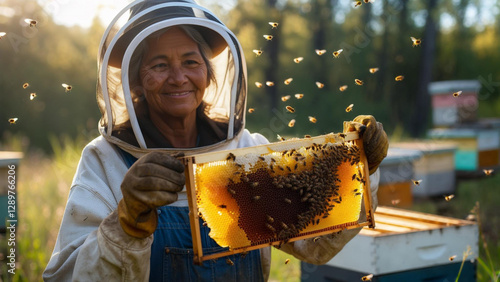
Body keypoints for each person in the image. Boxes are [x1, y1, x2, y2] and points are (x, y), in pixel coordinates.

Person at [43, 0, 388, 281]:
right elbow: (67, 276)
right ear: (136, 81)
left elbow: (319, 242)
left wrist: (359, 169)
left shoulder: (244, 150)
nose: (179, 78)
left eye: (191, 62)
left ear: (209, 75)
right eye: (160, 65)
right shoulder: (105, 161)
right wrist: (125, 223)